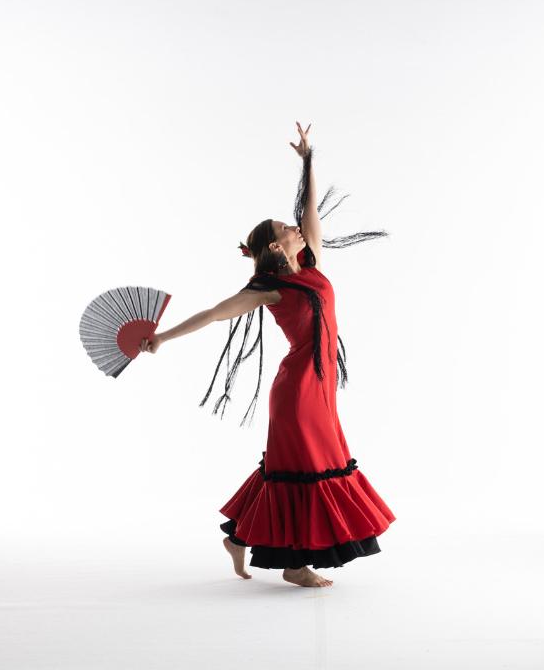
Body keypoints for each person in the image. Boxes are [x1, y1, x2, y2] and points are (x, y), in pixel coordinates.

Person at [138, 122, 395, 588]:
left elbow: (310, 209)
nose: (296, 226)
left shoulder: (311, 260)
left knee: (293, 467)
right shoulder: (270, 288)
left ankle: (239, 538)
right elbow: (216, 313)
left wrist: (308, 160)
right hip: (297, 389)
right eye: (285, 228)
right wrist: (162, 338)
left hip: (319, 385)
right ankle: (294, 565)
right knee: (303, 469)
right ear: (277, 247)